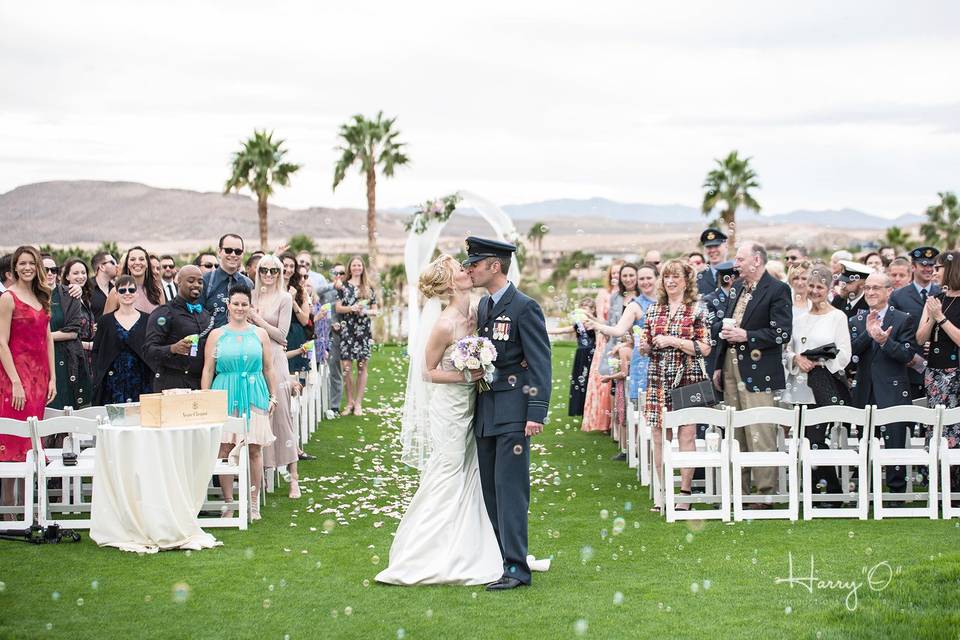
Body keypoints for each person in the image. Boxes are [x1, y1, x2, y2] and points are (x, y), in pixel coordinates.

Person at [376, 254, 503, 586]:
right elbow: (427, 372)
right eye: (460, 270)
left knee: (469, 470)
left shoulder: (476, 312)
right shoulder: (445, 324)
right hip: (449, 407)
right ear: (450, 284)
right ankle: (421, 555)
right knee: (448, 470)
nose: (467, 271)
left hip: (474, 403)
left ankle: (466, 545)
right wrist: (464, 377)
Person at [465, 237, 551, 590]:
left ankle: (517, 568)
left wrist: (536, 412)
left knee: (510, 490)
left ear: (494, 266)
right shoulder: (485, 306)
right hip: (487, 411)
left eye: (475, 263)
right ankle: (503, 559)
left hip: (515, 412)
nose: (469, 269)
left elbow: (541, 363)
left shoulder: (524, 307)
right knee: (491, 491)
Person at [714, 241, 793, 505]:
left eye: (739, 259)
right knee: (736, 431)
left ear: (756, 260)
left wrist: (747, 336)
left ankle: (765, 493)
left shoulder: (778, 290)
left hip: (759, 371)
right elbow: (728, 325)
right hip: (730, 365)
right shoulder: (737, 287)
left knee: (759, 430)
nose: (735, 265)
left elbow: (782, 332)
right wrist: (717, 365)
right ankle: (740, 491)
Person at [201, 283, 278, 521]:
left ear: (250, 306)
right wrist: (207, 399)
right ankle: (229, 502)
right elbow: (208, 369)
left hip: (254, 392)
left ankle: (253, 502)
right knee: (224, 449)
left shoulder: (260, 334)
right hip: (224, 391)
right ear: (228, 305)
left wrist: (273, 395)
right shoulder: (217, 334)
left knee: (254, 448)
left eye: (244, 304)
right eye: (236, 303)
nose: (240, 308)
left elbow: (268, 368)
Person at [640, 259, 710, 510]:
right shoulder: (653, 310)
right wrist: (645, 346)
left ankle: (685, 493)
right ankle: (663, 492)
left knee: (687, 435)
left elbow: (704, 348)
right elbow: (647, 345)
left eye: (675, 277)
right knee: (659, 436)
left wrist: (674, 341)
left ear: (686, 281)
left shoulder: (697, 310)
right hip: (658, 379)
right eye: (666, 277)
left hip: (688, 379)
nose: (670, 281)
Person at [782, 266, 852, 494]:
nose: (814, 291)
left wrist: (822, 361)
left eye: (819, 287)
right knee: (805, 437)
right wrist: (796, 359)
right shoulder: (799, 318)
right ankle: (816, 488)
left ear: (829, 288)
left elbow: (844, 353)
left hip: (824, 381)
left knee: (816, 437)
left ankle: (831, 490)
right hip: (801, 383)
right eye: (811, 285)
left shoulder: (837, 316)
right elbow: (788, 349)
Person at [850, 272, 918, 495]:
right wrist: (869, 335)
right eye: (867, 287)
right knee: (866, 443)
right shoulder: (857, 319)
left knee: (895, 443)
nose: (870, 292)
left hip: (893, 391)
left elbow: (908, 356)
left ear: (889, 291)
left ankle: (896, 493)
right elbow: (850, 355)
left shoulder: (902, 319)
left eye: (876, 288)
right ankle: (866, 491)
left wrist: (885, 341)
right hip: (864, 391)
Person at [0, 247, 55, 516]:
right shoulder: (8, 298)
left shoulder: (42, 297)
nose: (27, 268)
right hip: (15, 379)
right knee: (12, 442)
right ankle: (9, 509)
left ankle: (29, 505)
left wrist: (53, 377)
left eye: (31, 263)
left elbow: (47, 339)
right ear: (15, 267)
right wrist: (15, 381)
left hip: (39, 379)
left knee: (32, 443)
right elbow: (1, 341)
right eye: (22, 263)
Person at [250, 254, 300, 499]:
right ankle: (264, 476)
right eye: (263, 270)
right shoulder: (251, 296)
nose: (268, 274)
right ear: (257, 272)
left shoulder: (285, 298)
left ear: (280, 273)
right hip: (254, 359)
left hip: (276, 358)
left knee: (281, 415)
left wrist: (257, 319)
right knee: (260, 416)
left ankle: (294, 478)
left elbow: (282, 334)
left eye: (273, 270)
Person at [143, 265, 213, 391]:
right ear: (178, 282)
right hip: (172, 382)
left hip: (201, 383)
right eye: (191, 281)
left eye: (200, 282)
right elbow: (148, 350)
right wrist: (173, 348)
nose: (196, 285)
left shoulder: (206, 315)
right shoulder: (164, 312)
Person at [917, 250, 960, 452]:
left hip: (957, 372)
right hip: (935, 373)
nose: (933, 272)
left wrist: (941, 318)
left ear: (951, 269)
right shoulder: (935, 299)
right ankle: (936, 474)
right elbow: (920, 338)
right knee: (937, 424)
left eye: (938, 268)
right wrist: (933, 317)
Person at [91, 275, 154, 404]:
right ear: (116, 294)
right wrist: (98, 377)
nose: (127, 293)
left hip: (142, 380)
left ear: (137, 294)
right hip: (112, 383)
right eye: (122, 290)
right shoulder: (105, 321)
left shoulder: (148, 320)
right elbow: (97, 351)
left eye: (131, 290)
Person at [890, 246, 941, 399]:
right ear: (913, 267)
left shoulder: (942, 293)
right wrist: (908, 357)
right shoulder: (898, 296)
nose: (928, 269)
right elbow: (893, 330)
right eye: (923, 265)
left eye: (931, 265)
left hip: (937, 363)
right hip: (908, 366)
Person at [49, 257, 95, 409]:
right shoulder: (70, 294)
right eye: (76, 273)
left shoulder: (77, 295)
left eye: (83, 272)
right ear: (67, 275)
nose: (80, 276)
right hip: (51, 355)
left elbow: (74, 331)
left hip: (75, 356)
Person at [581, 261, 621, 432]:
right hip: (605, 339)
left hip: (621, 339)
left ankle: (616, 423)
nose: (616, 277)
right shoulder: (603, 294)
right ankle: (601, 421)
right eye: (613, 273)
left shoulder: (627, 296)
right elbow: (600, 320)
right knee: (603, 379)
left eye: (619, 273)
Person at [336, 255, 378, 416]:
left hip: (363, 331)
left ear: (363, 268)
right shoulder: (343, 287)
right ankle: (349, 402)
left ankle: (359, 403)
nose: (356, 268)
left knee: (362, 367)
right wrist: (351, 308)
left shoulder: (368, 287)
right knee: (346, 368)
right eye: (354, 265)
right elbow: (338, 308)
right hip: (347, 329)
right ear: (350, 268)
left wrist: (364, 310)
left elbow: (375, 310)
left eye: (359, 265)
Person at [547, 298, 597, 417]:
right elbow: (562, 330)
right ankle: (579, 409)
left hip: (592, 353)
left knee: (589, 380)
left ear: (593, 310)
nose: (583, 311)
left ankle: (589, 408)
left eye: (586, 308)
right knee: (579, 381)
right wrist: (544, 330)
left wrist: (591, 317)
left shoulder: (595, 324)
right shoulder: (578, 325)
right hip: (581, 354)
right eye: (582, 308)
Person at [200, 234, 254, 329]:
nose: (233, 255)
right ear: (219, 251)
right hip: (211, 341)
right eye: (228, 250)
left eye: (238, 251)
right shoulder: (205, 281)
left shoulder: (248, 283)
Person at [316, 263, 345, 417]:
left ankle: (334, 405)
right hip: (321, 335)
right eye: (336, 272)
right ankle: (320, 404)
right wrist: (333, 285)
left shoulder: (347, 291)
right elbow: (316, 292)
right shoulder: (325, 288)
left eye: (342, 273)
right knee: (318, 371)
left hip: (337, 335)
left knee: (335, 371)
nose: (339, 275)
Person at [700, 261, 737, 378]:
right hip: (716, 360)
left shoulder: (741, 298)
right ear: (731, 279)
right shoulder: (709, 301)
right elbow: (710, 329)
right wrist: (729, 321)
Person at [103, 246, 163, 315]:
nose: (137, 262)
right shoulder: (116, 292)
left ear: (147, 264)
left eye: (141, 259)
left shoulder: (158, 291)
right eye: (132, 259)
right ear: (128, 264)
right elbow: (106, 323)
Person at [599, 333, 633, 456]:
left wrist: (609, 377)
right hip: (636, 385)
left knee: (622, 415)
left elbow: (624, 373)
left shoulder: (624, 350)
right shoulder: (639, 350)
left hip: (623, 386)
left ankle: (625, 450)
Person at [281, 252, 311, 374]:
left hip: (295, 334)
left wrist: (292, 302)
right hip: (278, 333)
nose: (288, 269)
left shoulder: (300, 290)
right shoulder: (271, 288)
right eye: (285, 265)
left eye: (292, 266)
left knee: (296, 375)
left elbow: (305, 321)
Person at [697, 228, 729, 295]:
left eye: (716, 246)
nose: (712, 250)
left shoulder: (737, 275)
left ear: (726, 246)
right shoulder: (697, 279)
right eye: (709, 247)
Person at [90, 251, 117, 321]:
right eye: (112, 262)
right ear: (102, 267)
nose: (116, 265)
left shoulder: (116, 289)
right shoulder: (87, 288)